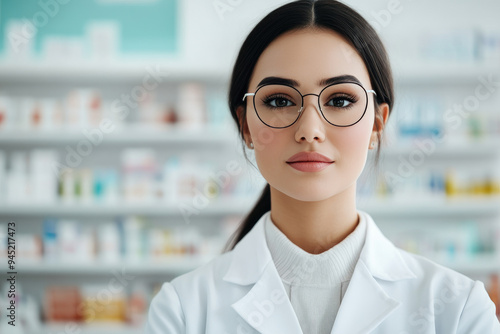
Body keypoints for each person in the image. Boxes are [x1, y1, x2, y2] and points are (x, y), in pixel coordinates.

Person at [145, 1, 500, 333]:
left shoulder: (458, 309)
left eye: (340, 100)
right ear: (246, 125)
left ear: (377, 123)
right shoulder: (183, 311)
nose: (309, 131)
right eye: (280, 100)